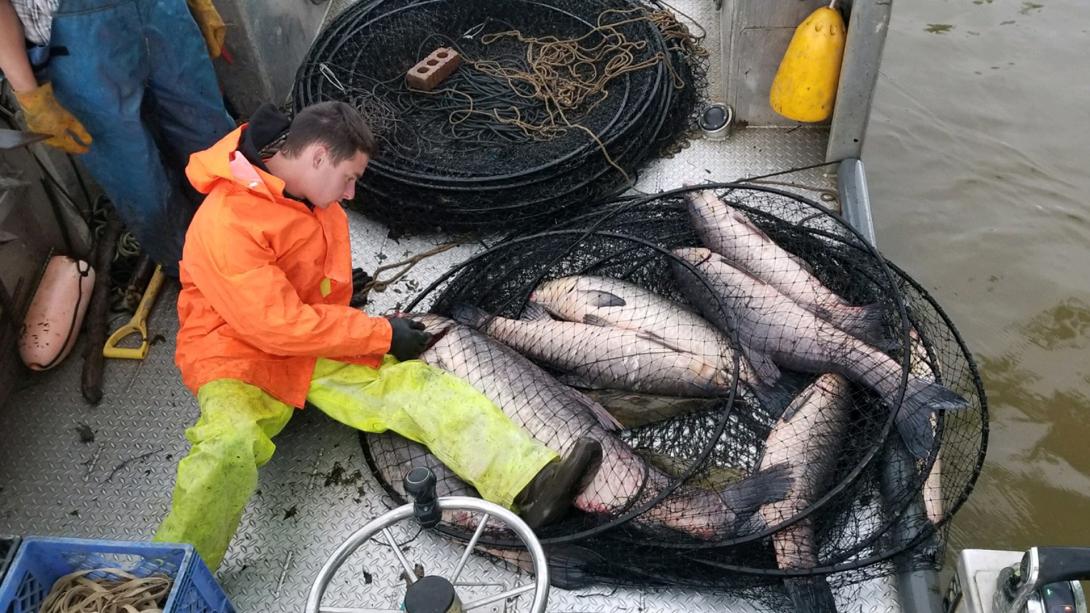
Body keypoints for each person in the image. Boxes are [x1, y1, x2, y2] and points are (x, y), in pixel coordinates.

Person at [152, 101, 602, 570]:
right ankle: (168, 578)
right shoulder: (226, 223)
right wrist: (381, 335)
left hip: (312, 342)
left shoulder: (303, 188)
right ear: (319, 157)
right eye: (349, 178)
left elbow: (304, 291)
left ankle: (530, 481)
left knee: (417, 387)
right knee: (226, 448)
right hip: (238, 357)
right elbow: (277, 326)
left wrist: (355, 305)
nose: (350, 194)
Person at [0, 0, 235, 275]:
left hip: (161, 12)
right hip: (79, 45)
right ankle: (198, 275)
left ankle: (254, 236)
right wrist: (31, 96)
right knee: (138, 179)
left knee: (213, 142)